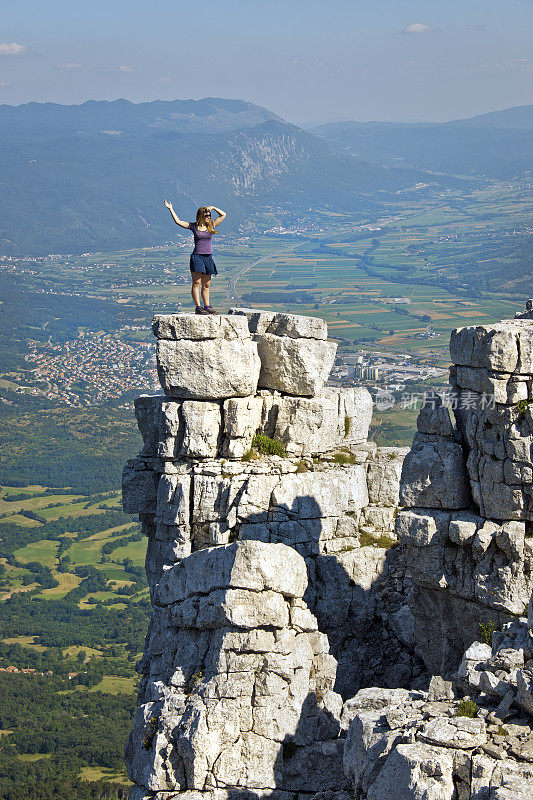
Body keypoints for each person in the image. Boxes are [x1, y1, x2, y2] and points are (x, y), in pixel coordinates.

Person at [164, 201, 226, 314]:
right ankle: (198, 307)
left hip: (208, 258)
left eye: (209, 215)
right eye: (206, 215)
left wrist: (213, 207)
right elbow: (178, 221)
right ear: (201, 216)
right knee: (196, 283)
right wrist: (170, 209)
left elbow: (223, 215)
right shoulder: (194, 226)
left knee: (206, 285)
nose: (208, 217)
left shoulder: (211, 225)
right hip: (197, 257)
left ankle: (207, 306)